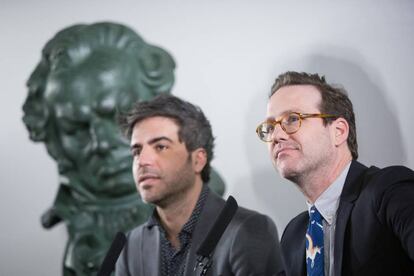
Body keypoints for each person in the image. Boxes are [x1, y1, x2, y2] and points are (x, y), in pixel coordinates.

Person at [256, 71, 414, 275]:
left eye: (293, 119)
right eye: (270, 127)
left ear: (338, 131)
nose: (276, 135)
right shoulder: (293, 235)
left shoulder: (388, 190)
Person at [116, 94, 284, 276]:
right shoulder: (130, 246)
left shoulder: (248, 230)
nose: (142, 161)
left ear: (198, 160)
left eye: (161, 147)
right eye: (137, 151)